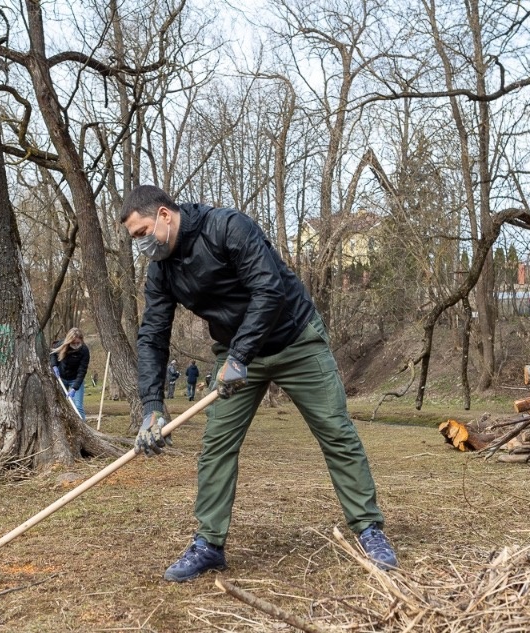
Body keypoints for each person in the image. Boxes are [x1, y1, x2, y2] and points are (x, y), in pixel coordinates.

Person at [121, 185, 397, 582]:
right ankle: (209, 544)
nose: (141, 244)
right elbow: (152, 335)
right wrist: (151, 406)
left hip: (295, 338)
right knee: (216, 446)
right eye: (135, 239)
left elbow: (270, 290)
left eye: (141, 232)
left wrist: (239, 356)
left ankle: (369, 529)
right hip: (235, 354)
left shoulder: (227, 227)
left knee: (336, 431)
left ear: (164, 215)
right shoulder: (161, 271)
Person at [50, 327, 91, 420]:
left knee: (78, 406)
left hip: (75, 379)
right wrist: (54, 366)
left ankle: (83, 428)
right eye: (73, 343)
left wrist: (74, 388)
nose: (76, 345)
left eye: (78, 343)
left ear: (81, 340)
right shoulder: (62, 344)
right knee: (60, 405)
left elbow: (82, 371)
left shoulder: (84, 351)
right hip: (61, 378)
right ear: (69, 341)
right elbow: (53, 353)